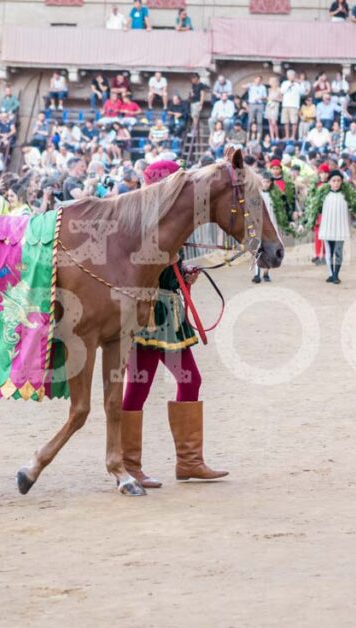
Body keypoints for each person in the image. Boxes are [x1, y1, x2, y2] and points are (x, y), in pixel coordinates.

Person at [120, 160, 226, 488]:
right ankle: (129, 465)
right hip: (148, 315)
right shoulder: (140, 222)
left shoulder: (165, 221)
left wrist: (182, 274)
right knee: (140, 386)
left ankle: (188, 462)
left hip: (169, 314)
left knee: (187, 379)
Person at [305, 169, 356, 284]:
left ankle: (336, 274)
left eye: (339, 181)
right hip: (328, 226)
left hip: (340, 226)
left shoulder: (347, 195)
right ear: (329, 181)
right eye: (333, 181)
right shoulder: (323, 195)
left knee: (338, 251)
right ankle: (331, 274)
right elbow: (313, 209)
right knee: (329, 251)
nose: (336, 183)